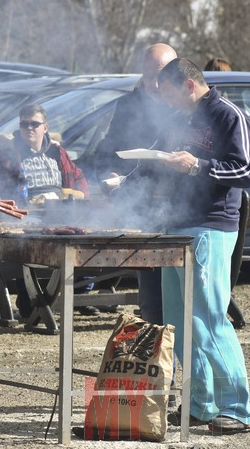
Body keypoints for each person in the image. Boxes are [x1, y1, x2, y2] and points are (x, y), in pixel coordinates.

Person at [156, 58, 250, 434]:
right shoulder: (181, 119)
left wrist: (197, 166)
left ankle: (238, 407)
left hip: (210, 228)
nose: (165, 104)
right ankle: (201, 402)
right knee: (180, 320)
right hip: (176, 226)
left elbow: (245, 171)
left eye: (168, 95)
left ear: (187, 86)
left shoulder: (228, 115)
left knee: (208, 318)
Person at [0, 104, 99, 317]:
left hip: (60, 210)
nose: (29, 128)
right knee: (30, 236)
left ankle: (81, 291)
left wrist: (78, 196)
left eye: (34, 124)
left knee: (84, 228)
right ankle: (31, 298)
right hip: (27, 214)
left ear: (45, 127)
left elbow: (78, 176)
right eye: (24, 124)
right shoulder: (8, 153)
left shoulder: (56, 151)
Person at [93, 42, 178, 325]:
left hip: (182, 214)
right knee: (151, 301)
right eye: (149, 75)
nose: (154, 84)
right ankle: (158, 357)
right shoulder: (130, 105)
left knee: (181, 303)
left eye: (161, 75)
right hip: (145, 212)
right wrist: (110, 175)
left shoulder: (186, 107)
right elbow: (109, 149)